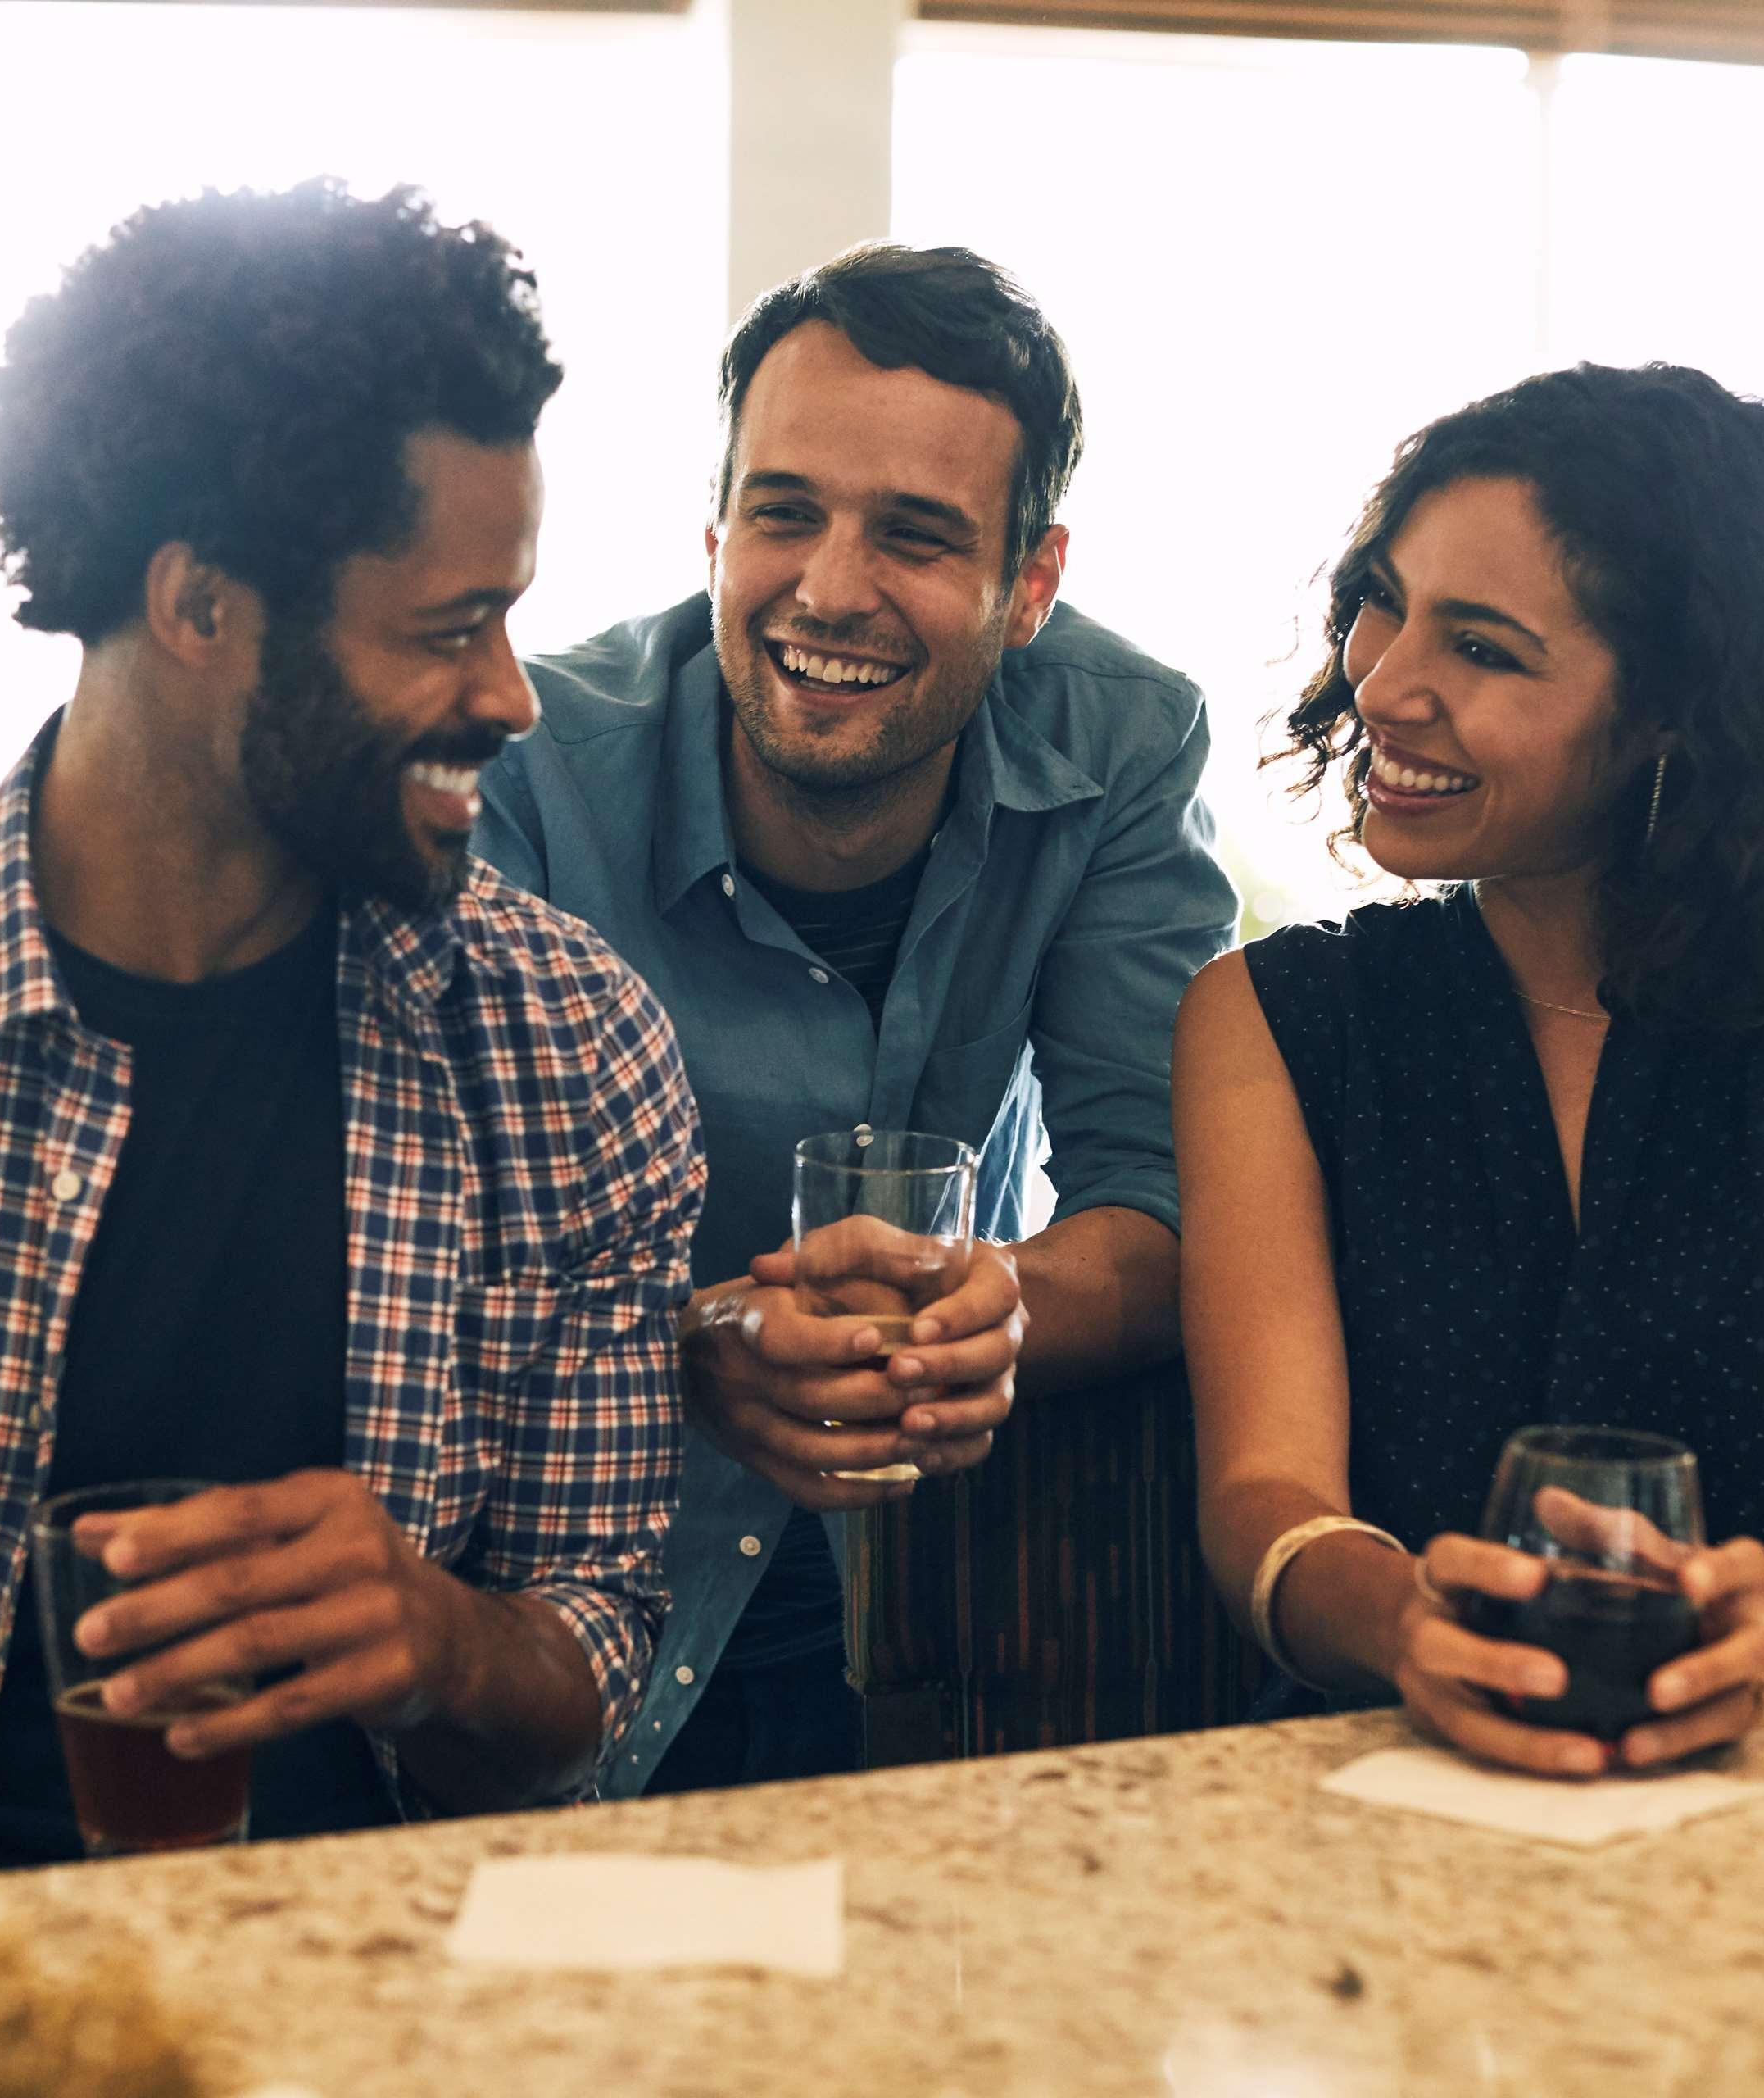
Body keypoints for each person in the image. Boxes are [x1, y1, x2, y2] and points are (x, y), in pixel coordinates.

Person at [0, 181, 703, 1904]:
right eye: (451, 627)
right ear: (198, 605)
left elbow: (583, 1673)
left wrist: (444, 1640)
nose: (515, 694)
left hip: (415, 1997)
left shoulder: (563, 1046)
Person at [1174, 363, 1764, 1777]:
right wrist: (1407, 1623)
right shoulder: (1270, 1018)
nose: (1384, 681)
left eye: (1482, 649)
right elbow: (1263, 1495)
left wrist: (1760, 1629)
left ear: (1673, 709)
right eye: (1382, 599)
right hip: (1390, 1805)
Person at [478, 244, 1236, 1796]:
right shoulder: (526, 768)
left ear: (1030, 586)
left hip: (941, 1573)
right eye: (785, 513)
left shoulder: (1125, 740)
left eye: (914, 536)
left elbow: (1159, 1204)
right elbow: (434, 1266)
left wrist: (998, 1307)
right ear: (713, 528)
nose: (829, 589)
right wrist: (691, 1339)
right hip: (574, 1574)